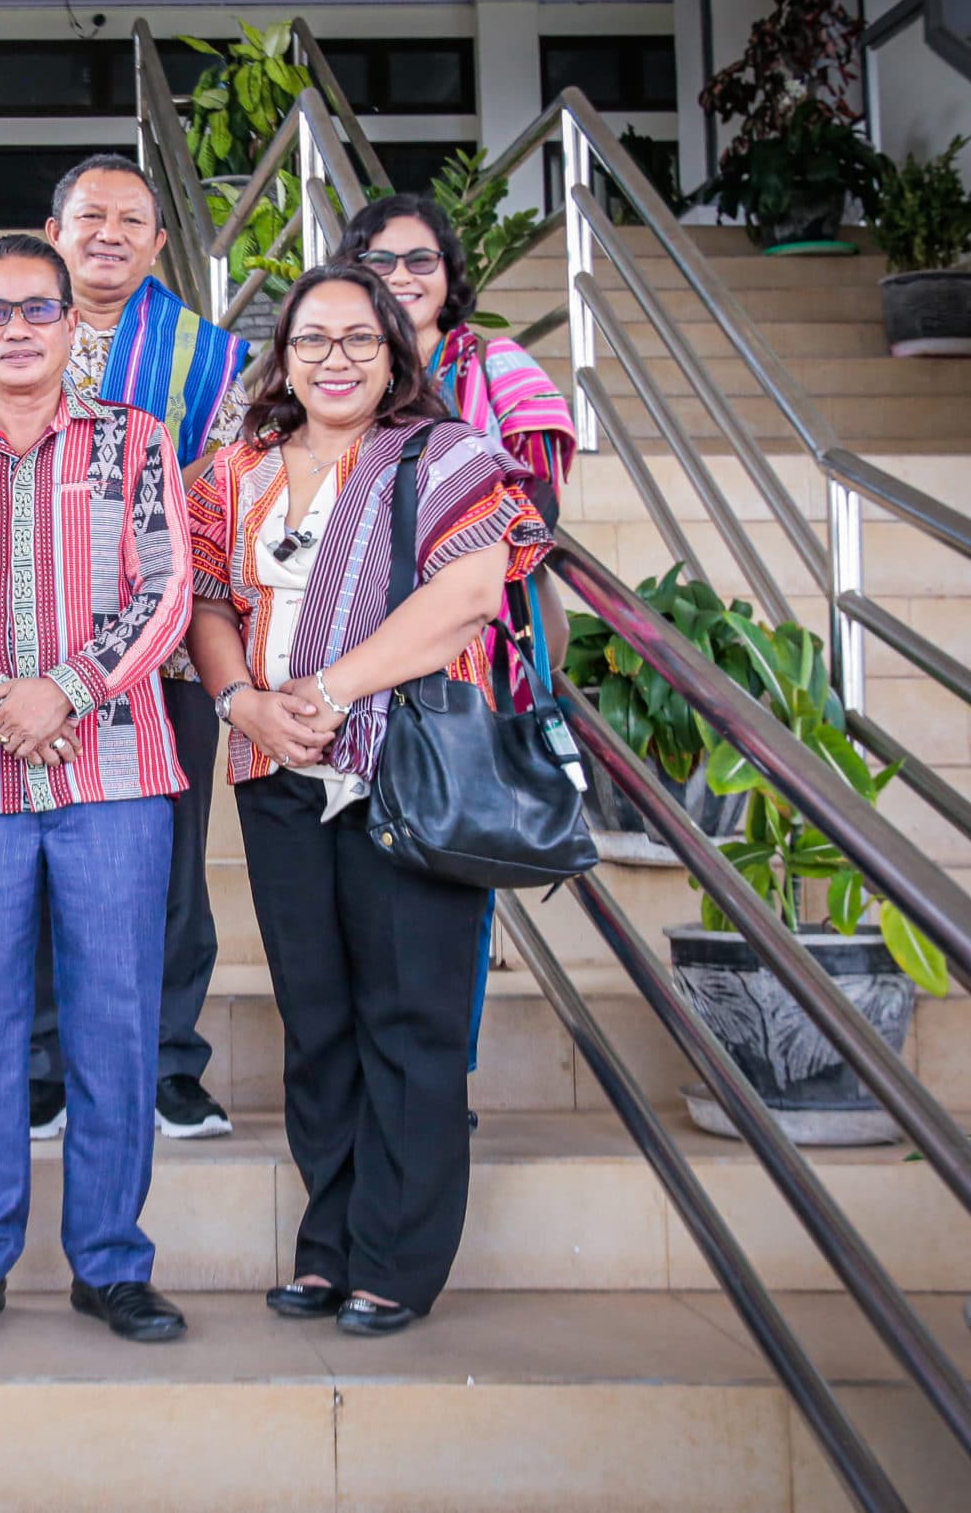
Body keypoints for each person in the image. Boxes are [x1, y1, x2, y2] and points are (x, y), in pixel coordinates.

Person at [186, 262, 551, 1337]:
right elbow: (209, 602)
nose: (333, 359)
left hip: (404, 768)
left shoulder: (445, 458)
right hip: (277, 772)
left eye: (357, 340)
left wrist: (331, 690)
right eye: (311, 341)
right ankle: (328, 1245)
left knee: (411, 1018)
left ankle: (397, 1258)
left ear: (396, 355)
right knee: (319, 1020)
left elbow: (473, 594)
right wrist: (245, 703)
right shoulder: (234, 473)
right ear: (283, 358)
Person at [0, 233, 194, 1349]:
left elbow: (167, 592)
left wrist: (62, 691)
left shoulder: (137, 446)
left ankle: (111, 1263)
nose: (16, 330)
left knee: (114, 1021)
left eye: (36, 310)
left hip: (115, 775)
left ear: (71, 327)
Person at [31, 154, 255, 1143]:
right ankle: (44, 1060)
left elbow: (227, 500)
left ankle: (168, 1062)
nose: (108, 233)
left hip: (165, 654)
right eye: (89, 217)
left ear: (160, 243)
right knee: (33, 851)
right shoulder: (6, 340)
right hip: (31, 661)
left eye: (131, 219)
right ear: (54, 234)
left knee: (168, 859)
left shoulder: (216, 362)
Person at [336, 194, 577, 1085]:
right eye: (382, 262)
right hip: (349, 651)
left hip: (467, 648)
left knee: (448, 849)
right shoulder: (338, 365)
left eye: (419, 261)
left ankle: (445, 1074)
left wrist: (435, 550)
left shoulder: (497, 365)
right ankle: (377, 1066)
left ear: (450, 275)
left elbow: (534, 501)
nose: (401, 279)